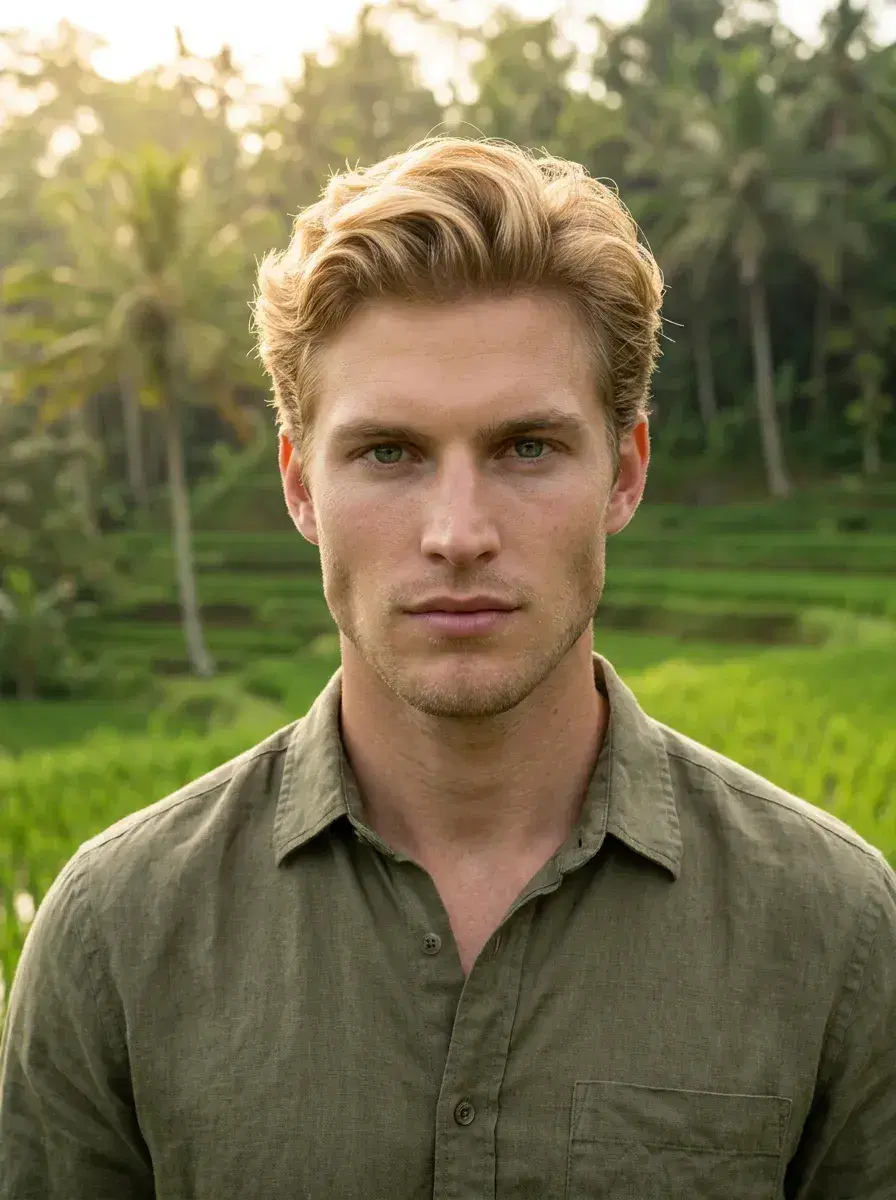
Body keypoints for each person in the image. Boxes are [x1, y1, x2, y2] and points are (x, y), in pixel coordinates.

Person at [1, 136, 894, 1200]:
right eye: (389, 453)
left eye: (526, 448)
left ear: (624, 473)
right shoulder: (115, 934)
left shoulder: (834, 929)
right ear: (299, 485)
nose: (457, 534)